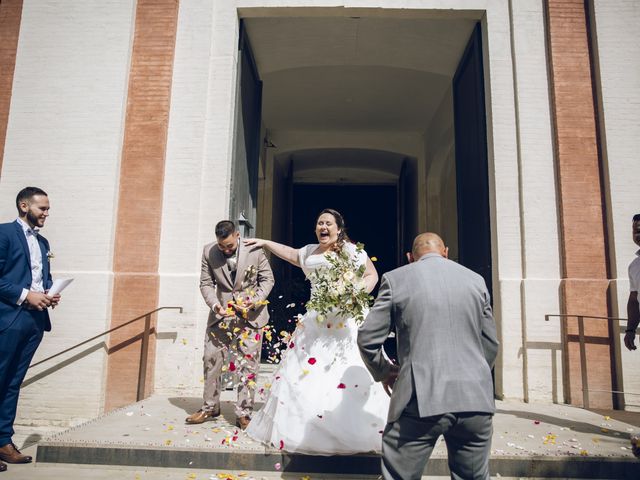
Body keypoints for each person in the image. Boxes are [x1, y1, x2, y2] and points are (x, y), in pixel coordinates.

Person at [244, 208, 390, 455]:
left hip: (345, 323)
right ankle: (305, 428)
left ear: (339, 228)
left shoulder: (352, 252)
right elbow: (291, 254)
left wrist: (354, 293)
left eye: (328, 223)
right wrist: (266, 242)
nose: (323, 227)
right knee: (306, 372)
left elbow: (371, 275)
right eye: (319, 223)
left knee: (346, 367)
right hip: (316, 321)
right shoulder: (310, 251)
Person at [358, 233, 499, 480]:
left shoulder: (396, 279)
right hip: (475, 400)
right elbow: (491, 343)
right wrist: (474, 374)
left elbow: (367, 339)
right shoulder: (476, 280)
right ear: (446, 252)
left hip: (421, 397)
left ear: (410, 258)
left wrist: (385, 372)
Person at [186, 220, 274, 430]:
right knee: (211, 358)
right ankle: (209, 407)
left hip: (251, 316)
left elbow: (267, 280)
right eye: (221, 246)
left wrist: (254, 301)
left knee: (248, 365)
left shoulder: (255, 249)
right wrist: (215, 305)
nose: (225, 250)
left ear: (237, 235)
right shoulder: (209, 252)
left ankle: (243, 413)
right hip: (221, 316)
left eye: (229, 246)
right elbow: (206, 283)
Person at [0, 187, 61, 474]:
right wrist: (26, 295)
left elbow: (39, 278)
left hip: (35, 320)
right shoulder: (4, 234)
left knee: (13, 383)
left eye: (47, 209)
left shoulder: (43, 241)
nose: (47, 214)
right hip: (9, 319)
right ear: (24, 206)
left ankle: (3, 442)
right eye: (43, 208)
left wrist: (48, 293)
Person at [624, 214, 640, 352]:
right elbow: (634, 300)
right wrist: (630, 329)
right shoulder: (633, 266)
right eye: (635, 231)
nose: (637, 234)